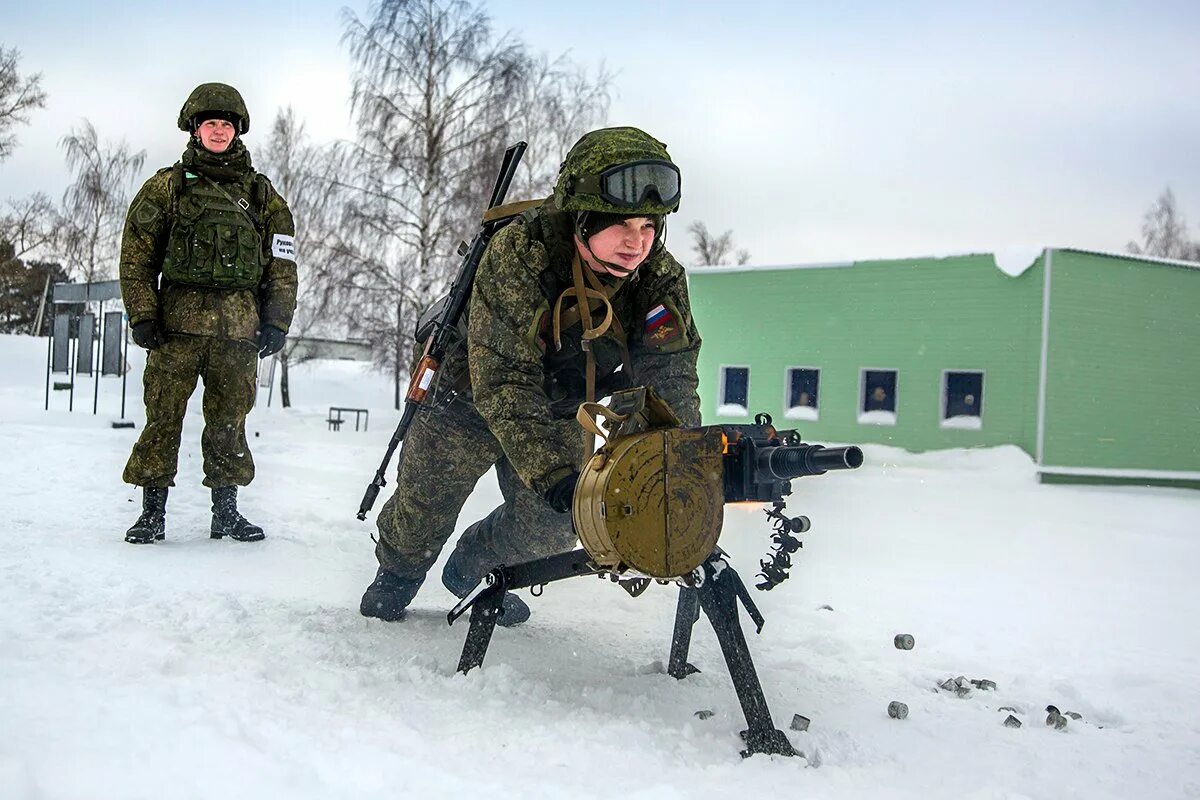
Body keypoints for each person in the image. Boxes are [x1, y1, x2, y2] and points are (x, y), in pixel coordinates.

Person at [360, 126, 702, 626]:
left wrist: (680, 460)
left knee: (554, 525)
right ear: (582, 218)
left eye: (649, 226)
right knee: (423, 508)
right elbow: (505, 379)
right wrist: (552, 473)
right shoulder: (521, 253)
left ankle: (475, 570)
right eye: (621, 225)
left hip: (559, 405)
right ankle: (398, 574)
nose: (637, 242)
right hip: (466, 395)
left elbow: (671, 373)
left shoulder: (658, 276)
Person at [119, 82, 298, 545]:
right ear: (195, 129)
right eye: (210, 123)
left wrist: (277, 321)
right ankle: (152, 514)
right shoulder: (167, 187)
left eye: (226, 124)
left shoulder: (263, 196)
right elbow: (136, 257)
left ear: (237, 131)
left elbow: (282, 265)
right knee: (162, 418)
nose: (218, 131)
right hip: (175, 328)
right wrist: (143, 314)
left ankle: (227, 513)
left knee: (229, 422)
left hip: (238, 330)